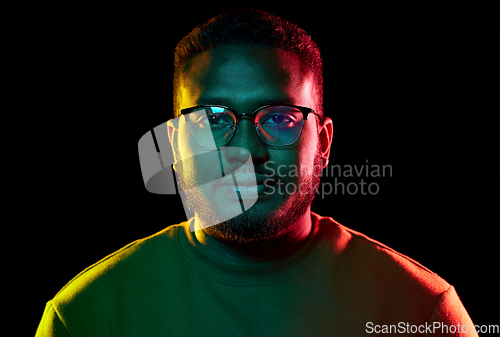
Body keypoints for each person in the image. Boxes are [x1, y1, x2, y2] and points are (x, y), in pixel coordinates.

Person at [36, 9, 478, 336]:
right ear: (174, 145)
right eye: (212, 121)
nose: (245, 152)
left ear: (322, 144)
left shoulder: (423, 311)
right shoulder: (84, 316)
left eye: (281, 118)